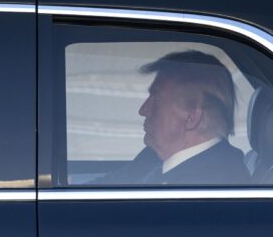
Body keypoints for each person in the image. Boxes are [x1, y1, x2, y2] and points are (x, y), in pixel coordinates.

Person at [93, 50, 250, 185]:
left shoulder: (213, 185)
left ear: (191, 118)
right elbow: (107, 186)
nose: (143, 110)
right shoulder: (154, 156)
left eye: (157, 99)